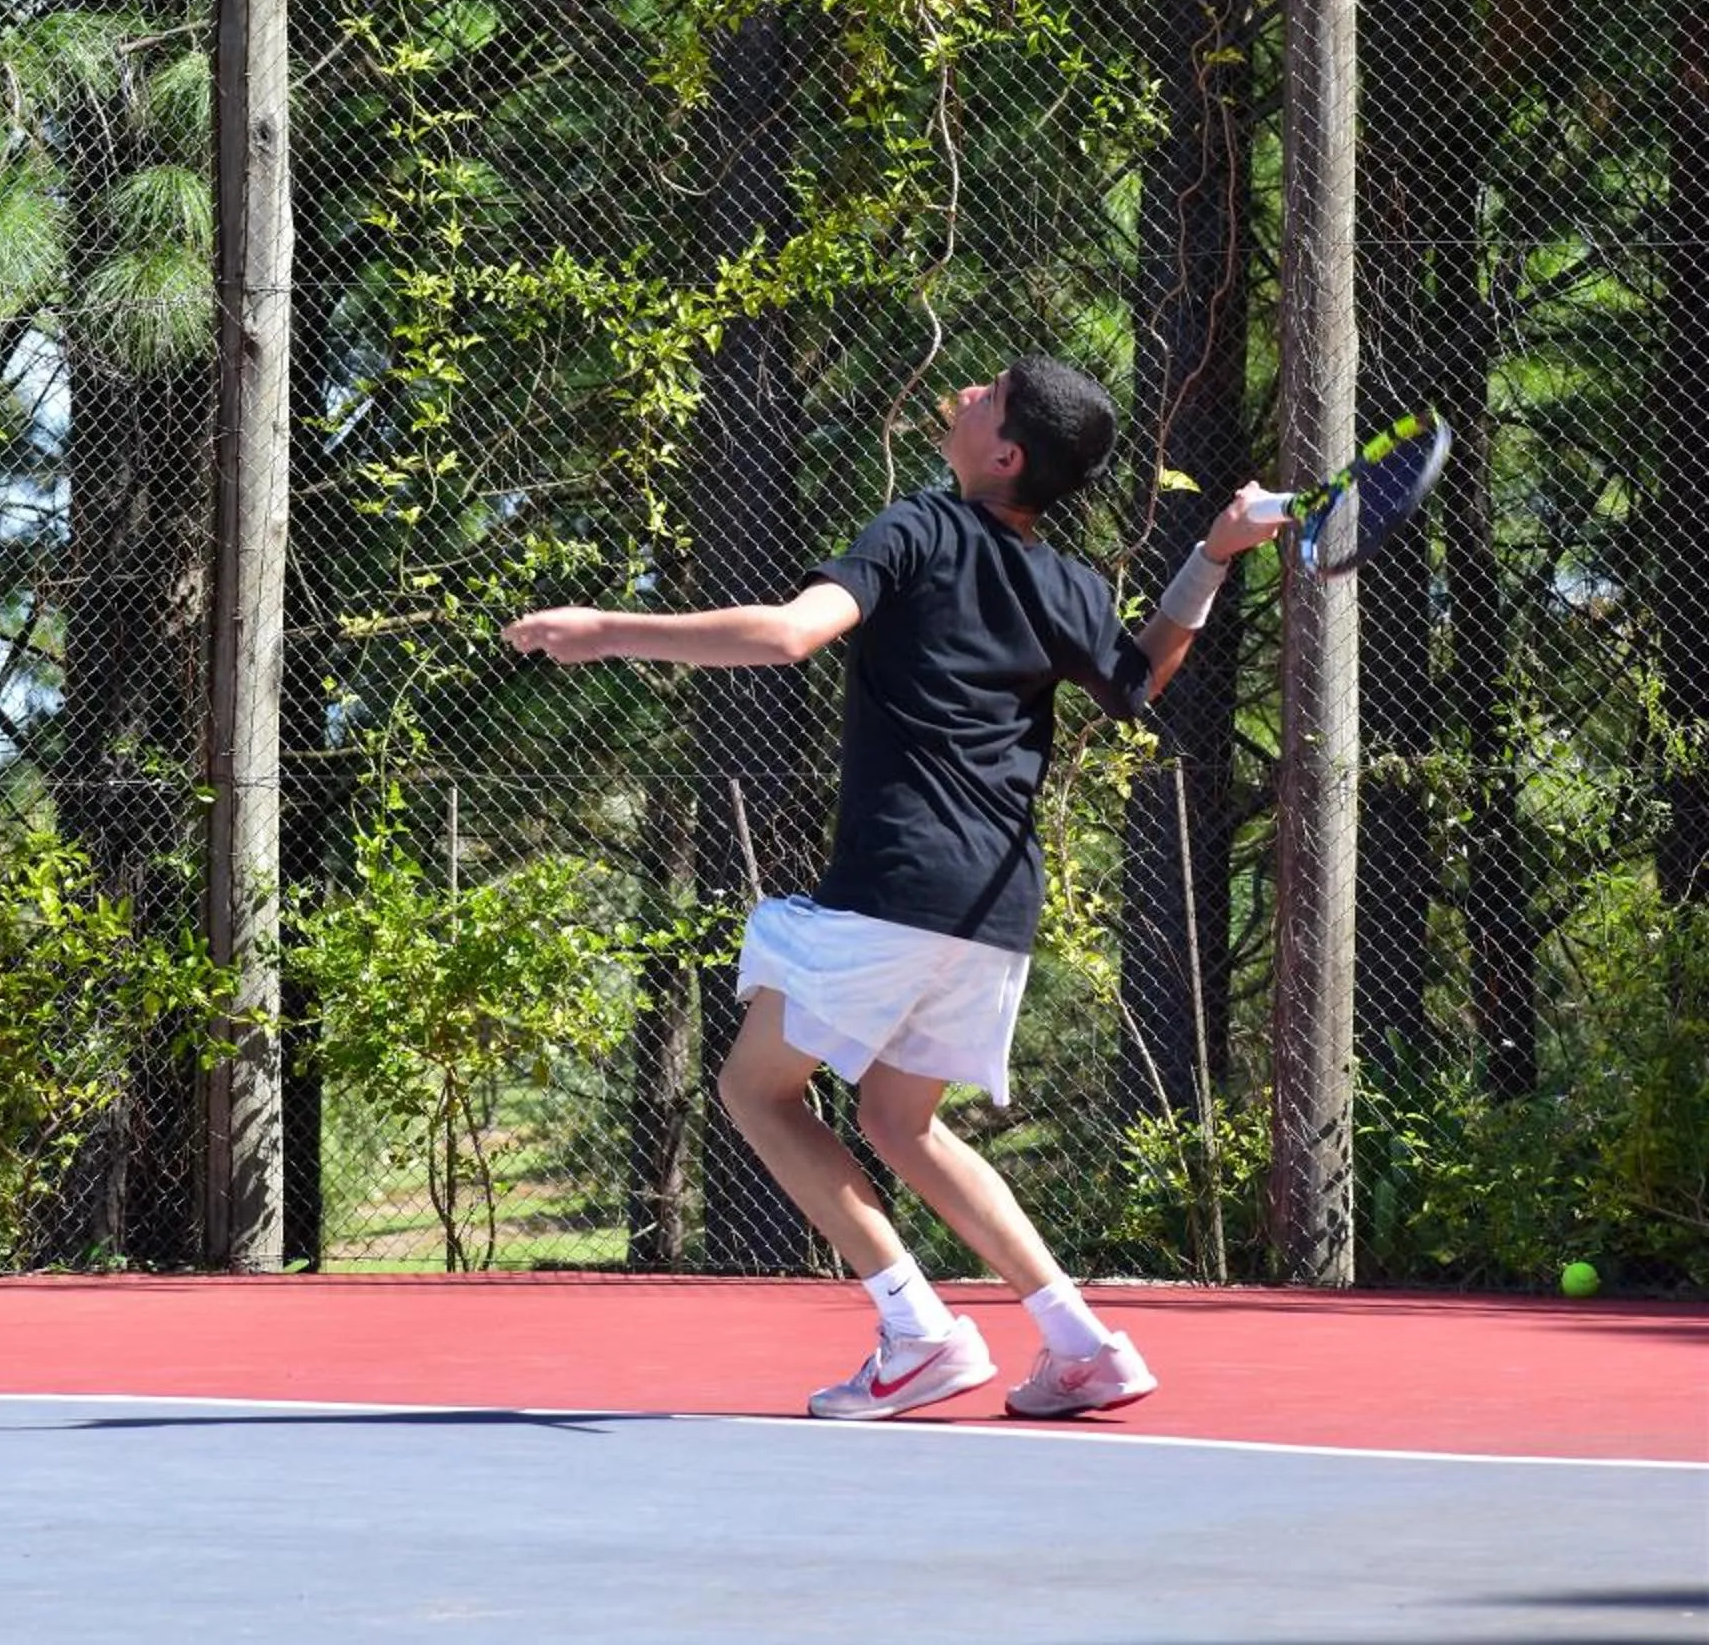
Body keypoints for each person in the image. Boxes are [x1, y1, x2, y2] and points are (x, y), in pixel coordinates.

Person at [504, 355, 1283, 1421]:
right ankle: (1080, 1342)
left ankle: (915, 1331)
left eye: (987, 397)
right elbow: (1136, 678)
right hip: (994, 907)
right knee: (898, 1118)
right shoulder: (1063, 583)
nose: (963, 395)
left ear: (1002, 452)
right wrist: (1212, 555)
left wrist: (606, 631)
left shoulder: (917, 527)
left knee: (754, 1089)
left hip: (899, 885)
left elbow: (787, 635)